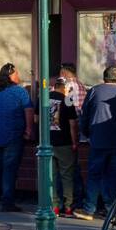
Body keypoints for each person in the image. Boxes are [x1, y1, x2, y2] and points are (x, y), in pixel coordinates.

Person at [79, 66, 116, 217]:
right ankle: (112, 207)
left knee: (94, 174)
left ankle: (89, 209)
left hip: (98, 139)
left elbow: (85, 115)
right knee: (114, 175)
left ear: (104, 78)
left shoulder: (95, 91)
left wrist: (87, 133)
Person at [0, 63, 33, 212]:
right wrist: (29, 129)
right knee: (9, 169)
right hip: (13, 135)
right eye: (17, 74)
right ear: (11, 75)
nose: (19, 76)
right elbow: (28, 110)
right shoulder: (20, 92)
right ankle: (7, 202)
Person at [48, 77, 83, 218]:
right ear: (64, 88)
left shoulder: (43, 98)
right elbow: (73, 124)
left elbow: (36, 120)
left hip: (47, 143)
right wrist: (75, 142)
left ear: (55, 86)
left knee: (50, 176)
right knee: (67, 176)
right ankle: (68, 207)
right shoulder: (67, 100)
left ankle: (54, 206)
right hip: (64, 143)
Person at [57, 63, 88, 210]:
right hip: (78, 131)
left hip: (66, 133)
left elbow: (69, 111)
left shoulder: (68, 86)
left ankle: (71, 201)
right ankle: (77, 200)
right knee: (72, 169)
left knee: (68, 171)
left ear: (65, 73)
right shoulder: (81, 85)